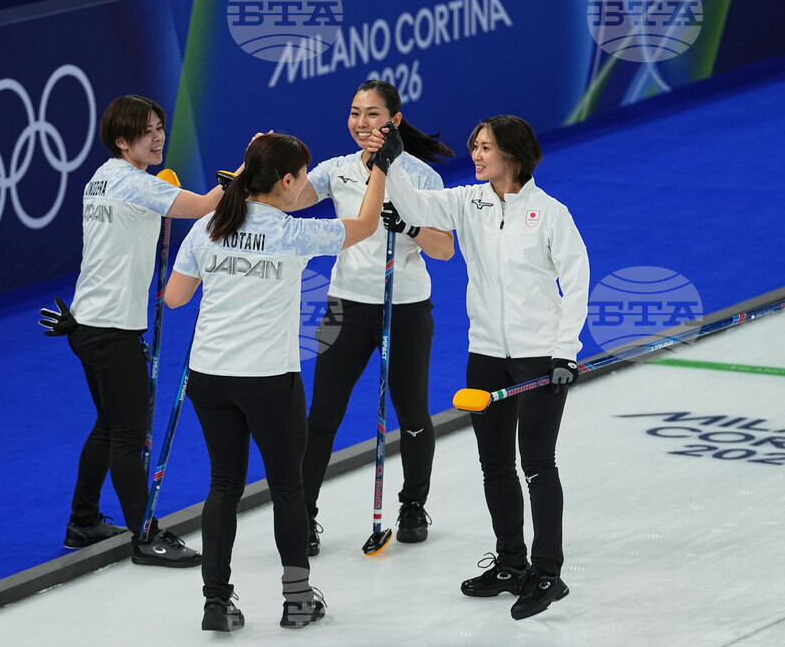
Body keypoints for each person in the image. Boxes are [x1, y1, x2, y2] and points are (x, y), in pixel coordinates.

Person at [164, 128, 402, 632]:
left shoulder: (208, 225)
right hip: (269, 380)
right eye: (301, 177)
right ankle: (297, 600)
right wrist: (381, 168)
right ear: (287, 181)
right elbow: (365, 225)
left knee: (223, 485)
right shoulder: (294, 234)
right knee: (288, 488)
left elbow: (175, 298)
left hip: (210, 377)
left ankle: (216, 602)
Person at [384, 115, 590, 620]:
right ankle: (511, 563)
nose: (475, 155)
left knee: (537, 463)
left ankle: (548, 572)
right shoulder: (468, 202)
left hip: (539, 355)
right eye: (474, 146)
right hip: (486, 354)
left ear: (513, 154)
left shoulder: (550, 213)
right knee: (494, 464)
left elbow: (576, 281)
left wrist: (565, 349)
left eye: (485, 148)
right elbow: (416, 206)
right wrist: (391, 164)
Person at [39, 95, 230, 566]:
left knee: (108, 425)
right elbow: (206, 206)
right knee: (128, 435)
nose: (159, 137)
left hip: (85, 322)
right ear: (123, 141)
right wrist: (249, 169)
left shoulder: (101, 178)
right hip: (111, 329)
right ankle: (146, 537)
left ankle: (83, 521)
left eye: (160, 126)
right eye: (147, 131)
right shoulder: (136, 184)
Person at [284, 80, 456, 554]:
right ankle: (303, 514)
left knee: (413, 414)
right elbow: (288, 199)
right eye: (355, 113)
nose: (362, 123)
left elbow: (444, 249)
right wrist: (264, 162)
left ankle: (413, 505)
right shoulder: (337, 170)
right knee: (322, 417)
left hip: (406, 307)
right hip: (345, 305)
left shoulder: (420, 176)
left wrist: (410, 226)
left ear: (394, 121)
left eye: (373, 114)